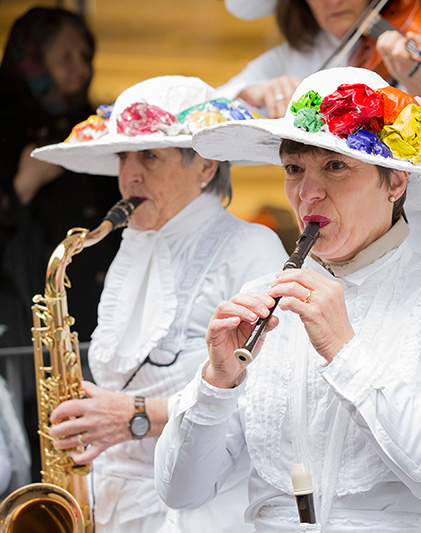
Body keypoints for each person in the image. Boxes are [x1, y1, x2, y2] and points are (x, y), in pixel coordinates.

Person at [154, 67, 421, 532]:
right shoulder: (261, 296)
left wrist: (344, 349)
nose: (307, 193)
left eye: (336, 167)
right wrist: (216, 385)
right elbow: (181, 492)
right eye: (294, 169)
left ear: (395, 182)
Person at [30, 75, 289, 532]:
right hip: (109, 504)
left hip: (199, 515)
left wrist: (135, 416)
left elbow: (270, 402)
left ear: (206, 166)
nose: (129, 174)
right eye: (123, 155)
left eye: (149, 155)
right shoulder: (130, 247)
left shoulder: (251, 247)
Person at [219, 0, 421, 265]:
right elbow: (207, 119)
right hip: (325, 259)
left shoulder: (418, 32)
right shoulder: (296, 53)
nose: (334, 1)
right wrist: (253, 93)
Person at [0, 7, 121, 348]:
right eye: (65, 58)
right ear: (32, 62)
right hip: (28, 327)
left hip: (96, 316)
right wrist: (24, 185)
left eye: (85, 56)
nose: (81, 70)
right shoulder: (6, 127)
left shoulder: (92, 126)